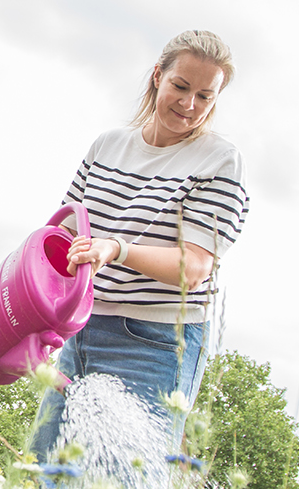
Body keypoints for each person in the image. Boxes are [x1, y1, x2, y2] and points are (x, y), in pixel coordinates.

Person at [30, 29, 248, 458]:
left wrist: (117, 249)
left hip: (154, 340)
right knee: (48, 467)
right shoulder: (107, 146)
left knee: (120, 483)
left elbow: (196, 265)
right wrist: (37, 308)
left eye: (205, 96)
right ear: (157, 76)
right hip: (80, 328)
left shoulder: (220, 161)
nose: (189, 106)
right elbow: (62, 234)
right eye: (180, 87)